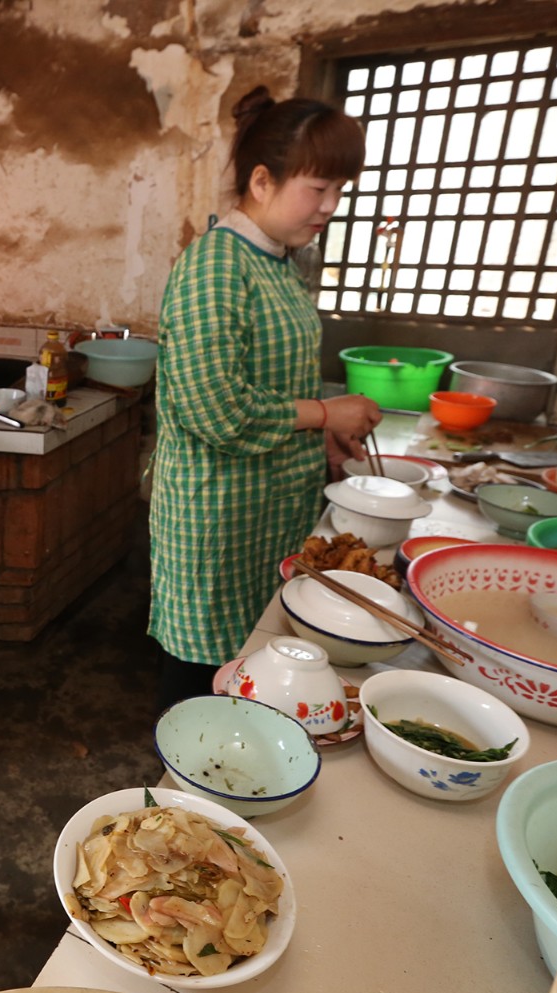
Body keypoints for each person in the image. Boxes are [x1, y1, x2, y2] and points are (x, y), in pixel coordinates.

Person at [148, 86, 378, 714]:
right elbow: (213, 407)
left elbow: (278, 379)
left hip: (268, 507)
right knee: (202, 678)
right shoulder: (215, 266)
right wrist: (327, 412)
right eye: (318, 188)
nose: (330, 206)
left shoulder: (278, 263)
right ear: (261, 181)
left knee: (255, 668)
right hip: (218, 517)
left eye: (340, 190)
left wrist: (323, 435)